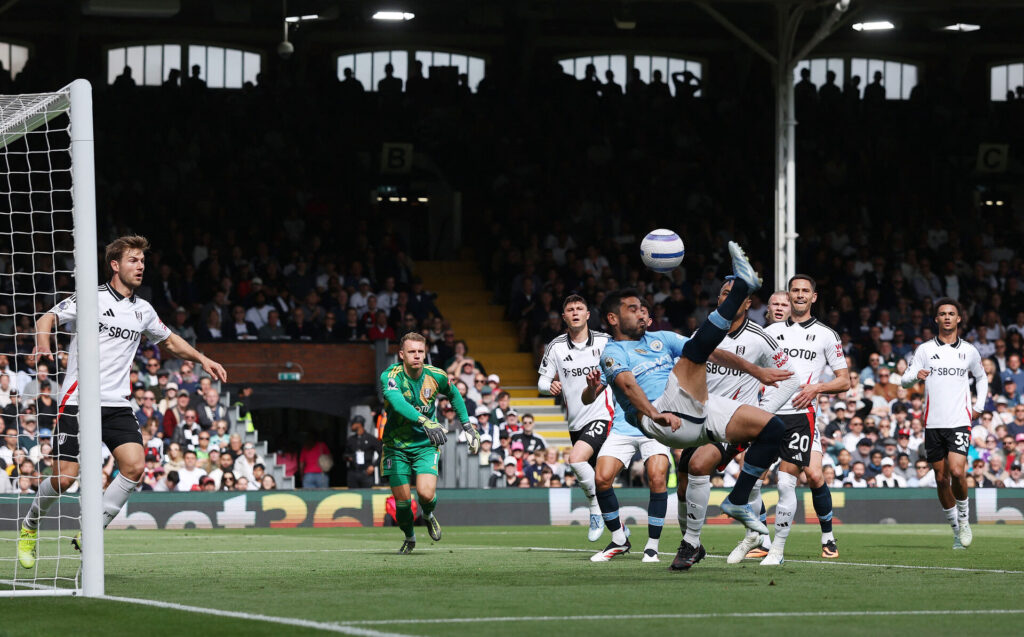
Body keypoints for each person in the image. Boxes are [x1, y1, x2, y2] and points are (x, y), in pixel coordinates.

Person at [19, 235, 228, 569]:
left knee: (134, 467)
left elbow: (170, 341)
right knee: (63, 480)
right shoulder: (91, 298)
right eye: (133, 260)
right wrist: (43, 344)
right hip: (77, 401)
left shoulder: (142, 310)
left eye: (143, 260)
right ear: (115, 265)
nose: (140, 265)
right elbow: (47, 318)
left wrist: (203, 359)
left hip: (116, 402)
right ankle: (29, 526)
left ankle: (91, 531)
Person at [582, 243, 790, 568]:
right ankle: (743, 287)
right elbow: (627, 385)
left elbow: (709, 349)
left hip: (697, 407)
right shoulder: (612, 353)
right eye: (632, 308)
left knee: (774, 428)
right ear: (612, 317)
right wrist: (655, 414)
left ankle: (735, 502)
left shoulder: (661, 338)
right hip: (657, 417)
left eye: (642, 307)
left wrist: (756, 370)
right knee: (693, 356)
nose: (641, 312)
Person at [677, 279, 801, 569]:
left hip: (731, 420)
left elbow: (791, 378)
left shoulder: (759, 336)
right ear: (719, 299)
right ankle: (694, 542)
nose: (729, 298)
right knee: (682, 484)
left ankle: (690, 544)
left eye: (736, 295)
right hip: (700, 418)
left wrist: (760, 414)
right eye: (724, 293)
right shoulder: (705, 333)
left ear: (747, 304)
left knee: (698, 466)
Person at [760, 274, 851, 565]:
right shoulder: (770, 332)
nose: (799, 295)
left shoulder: (827, 334)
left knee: (812, 475)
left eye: (805, 291)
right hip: (770, 414)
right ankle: (761, 539)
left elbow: (844, 381)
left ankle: (826, 536)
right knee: (757, 477)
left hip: (803, 415)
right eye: (795, 290)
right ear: (789, 296)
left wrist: (817, 387)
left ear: (814, 297)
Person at [379, 332, 479, 554]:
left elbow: (454, 395)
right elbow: (396, 402)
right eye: (412, 352)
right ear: (401, 354)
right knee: (403, 504)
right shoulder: (390, 376)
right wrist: (424, 419)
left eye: (420, 352)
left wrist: (467, 426)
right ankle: (410, 537)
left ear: (425, 353)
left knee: (425, 494)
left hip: (425, 444)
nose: (416, 356)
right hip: (396, 446)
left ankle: (428, 515)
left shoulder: (436, 376)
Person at [901, 298, 986, 550]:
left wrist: (979, 406)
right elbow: (904, 380)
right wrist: (914, 376)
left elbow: (981, 378)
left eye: (951, 313)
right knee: (940, 478)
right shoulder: (925, 350)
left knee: (958, 471)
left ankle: (964, 518)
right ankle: (955, 530)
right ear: (936, 319)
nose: (947, 317)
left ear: (959, 319)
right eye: (942, 314)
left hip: (960, 421)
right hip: (933, 424)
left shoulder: (969, 351)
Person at [537, 295, 615, 541]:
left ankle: (594, 512)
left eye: (580, 308)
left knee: (575, 458)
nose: (575, 312)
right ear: (564, 317)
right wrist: (548, 387)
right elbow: (541, 381)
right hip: (575, 422)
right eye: (570, 309)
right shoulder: (556, 346)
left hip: (603, 415)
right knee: (600, 480)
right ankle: (619, 529)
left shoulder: (605, 341)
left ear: (588, 314)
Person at [344, 415, 381, 488]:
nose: (351, 426)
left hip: (366, 472)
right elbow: (345, 453)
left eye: (353, 424)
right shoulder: (351, 439)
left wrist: (373, 466)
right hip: (353, 472)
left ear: (359, 424)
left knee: (366, 495)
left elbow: (382, 453)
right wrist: (348, 457)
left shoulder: (370, 438)